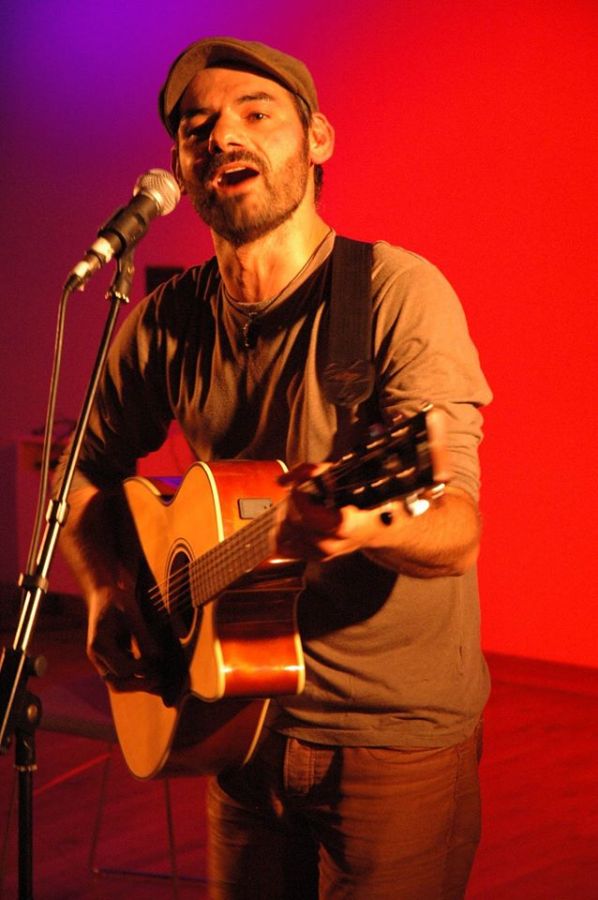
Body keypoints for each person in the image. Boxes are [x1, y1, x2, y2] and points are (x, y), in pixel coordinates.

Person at [57, 37, 493, 899]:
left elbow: (458, 530)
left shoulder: (396, 294)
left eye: (256, 114)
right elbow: (84, 472)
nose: (223, 135)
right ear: (182, 170)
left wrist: (364, 526)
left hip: (386, 733)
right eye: (198, 127)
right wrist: (108, 591)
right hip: (233, 717)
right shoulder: (165, 321)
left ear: (318, 140)